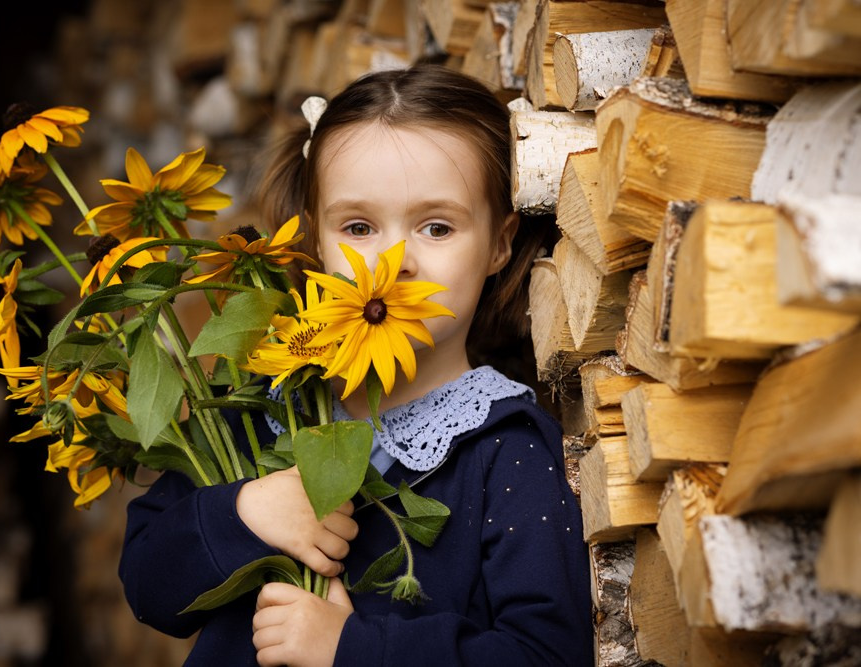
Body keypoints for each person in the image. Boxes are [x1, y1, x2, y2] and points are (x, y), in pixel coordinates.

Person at [118, 64, 593, 666]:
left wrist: (352, 648)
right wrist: (245, 513)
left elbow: (546, 655)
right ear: (317, 239)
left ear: (500, 243)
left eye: (437, 227)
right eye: (359, 227)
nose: (393, 262)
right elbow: (147, 584)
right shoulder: (261, 409)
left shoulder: (507, 450)